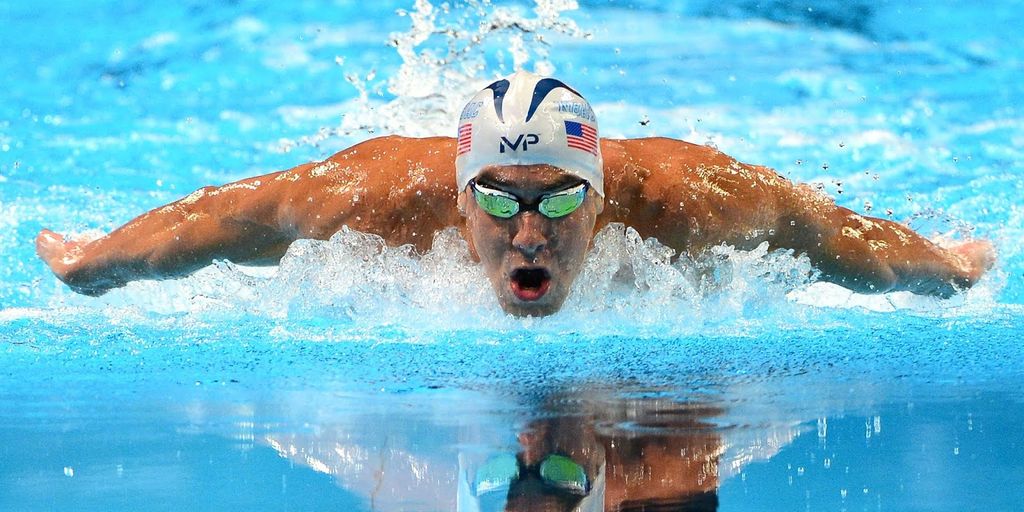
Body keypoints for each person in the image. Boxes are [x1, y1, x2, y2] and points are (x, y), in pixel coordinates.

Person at [36, 70, 994, 317]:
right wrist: (97, 263)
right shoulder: (380, 197)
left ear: (605, 194)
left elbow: (826, 231)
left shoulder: (688, 199)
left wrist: (947, 269)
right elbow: (220, 217)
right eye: (497, 200)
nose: (529, 230)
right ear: (457, 204)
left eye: (559, 199)